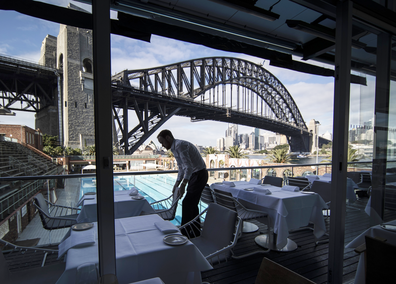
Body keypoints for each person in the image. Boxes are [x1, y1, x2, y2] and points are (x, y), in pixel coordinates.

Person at [157, 129, 208, 227]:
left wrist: (183, 185)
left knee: (187, 203)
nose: (162, 145)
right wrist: (177, 184)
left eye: (162, 142)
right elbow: (181, 167)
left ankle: (185, 232)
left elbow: (188, 167)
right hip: (195, 175)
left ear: (168, 138)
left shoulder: (180, 145)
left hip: (199, 174)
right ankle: (194, 231)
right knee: (192, 203)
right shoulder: (174, 148)